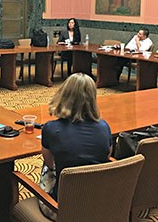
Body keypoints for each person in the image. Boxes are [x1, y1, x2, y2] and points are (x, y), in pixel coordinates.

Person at [41, 73, 112, 203]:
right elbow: (106, 157)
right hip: (99, 204)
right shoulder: (104, 127)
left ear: (64, 95)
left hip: (62, 209)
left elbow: (50, 165)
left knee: (46, 167)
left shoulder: (50, 128)